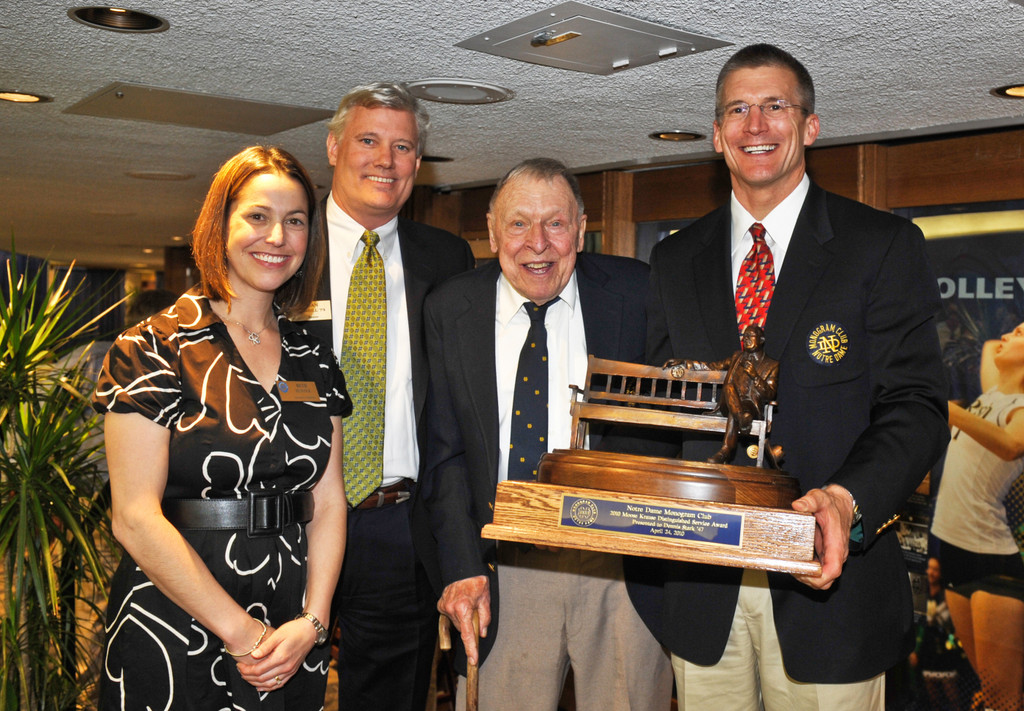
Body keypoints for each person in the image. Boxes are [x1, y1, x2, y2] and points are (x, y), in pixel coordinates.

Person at [636, 44, 949, 709]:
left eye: (775, 106)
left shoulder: (881, 245)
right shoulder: (672, 258)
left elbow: (917, 406)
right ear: (717, 135)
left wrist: (846, 499)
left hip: (829, 591)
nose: (757, 126)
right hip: (704, 597)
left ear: (809, 125)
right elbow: (663, 411)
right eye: (738, 110)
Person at [92, 145, 350, 709]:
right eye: (258, 216)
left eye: (295, 221)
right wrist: (243, 634)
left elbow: (329, 501)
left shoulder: (315, 358)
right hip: (177, 613)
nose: (276, 237)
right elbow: (134, 518)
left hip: (291, 621)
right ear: (220, 226)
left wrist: (313, 620)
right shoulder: (151, 347)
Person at [413, 158, 673, 710]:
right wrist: (462, 568)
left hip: (619, 566)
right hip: (505, 569)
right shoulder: (450, 308)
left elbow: (664, 432)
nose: (538, 243)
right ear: (490, 230)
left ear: (581, 227)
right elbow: (446, 454)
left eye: (555, 223)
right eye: (518, 224)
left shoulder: (638, 291)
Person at [295, 82, 475, 711]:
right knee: (272, 685)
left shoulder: (447, 258)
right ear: (334, 147)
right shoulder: (286, 245)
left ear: (417, 166)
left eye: (403, 148)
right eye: (369, 141)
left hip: (399, 523)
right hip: (291, 518)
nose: (386, 160)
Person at [932, 323, 1024, 711]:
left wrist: (952, 412)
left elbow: (1012, 445)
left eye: (1019, 334)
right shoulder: (991, 395)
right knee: (987, 694)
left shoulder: (1019, 407)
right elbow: (989, 346)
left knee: (1003, 701)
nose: (1006, 336)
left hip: (993, 565)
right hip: (953, 555)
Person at [671, 323, 779, 464]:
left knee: (736, 410)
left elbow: (770, 394)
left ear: (761, 340)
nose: (746, 339)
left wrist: (755, 376)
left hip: (751, 407)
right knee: (729, 388)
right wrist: (684, 363)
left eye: (750, 336)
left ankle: (726, 450)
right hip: (728, 404)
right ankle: (738, 425)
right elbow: (711, 367)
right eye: (744, 336)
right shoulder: (737, 357)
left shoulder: (772, 365)